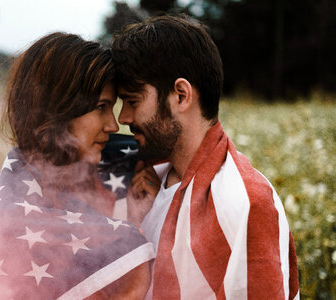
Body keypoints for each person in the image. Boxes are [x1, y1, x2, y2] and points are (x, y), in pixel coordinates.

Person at [111, 15, 300, 299]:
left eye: (133, 101)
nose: (123, 118)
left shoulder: (246, 203)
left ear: (181, 95)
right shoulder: (144, 176)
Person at [0, 32, 154, 299]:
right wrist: (138, 226)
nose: (113, 125)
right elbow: (125, 262)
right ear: (57, 110)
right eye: (100, 107)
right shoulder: (13, 211)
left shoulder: (73, 171)